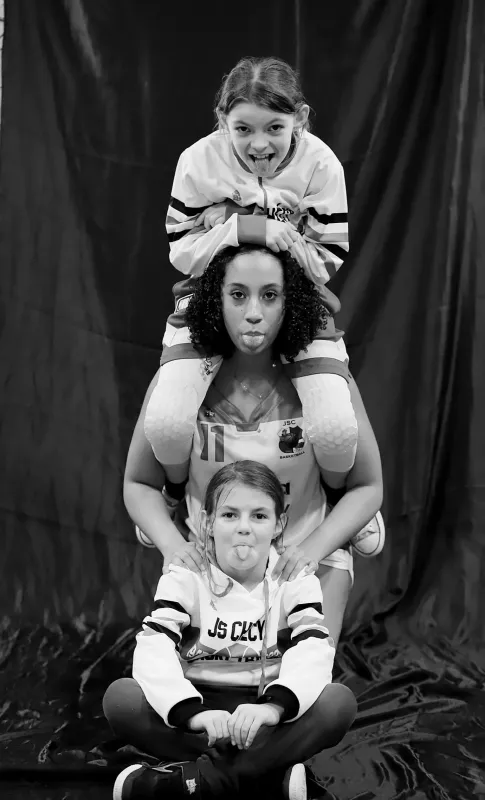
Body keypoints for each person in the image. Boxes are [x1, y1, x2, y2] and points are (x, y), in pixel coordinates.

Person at [124, 244, 384, 646]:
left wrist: (313, 549)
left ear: (290, 302)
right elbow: (138, 483)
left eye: (270, 295)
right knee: (194, 683)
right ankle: (177, 498)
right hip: (211, 565)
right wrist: (174, 547)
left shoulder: (326, 387)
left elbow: (369, 486)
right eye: (238, 294)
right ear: (215, 300)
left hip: (304, 559)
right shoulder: (179, 386)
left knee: (303, 681)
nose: (254, 313)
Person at [145, 55, 359, 514]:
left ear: (300, 118)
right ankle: (176, 493)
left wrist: (234, 222)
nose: (259, 144)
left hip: (293, 300)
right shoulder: (198, 161)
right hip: (211, 299)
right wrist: (249, 228)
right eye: (243, 128)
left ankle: (339, 500)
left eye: (275, 127)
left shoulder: (321, 165)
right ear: (223, 120)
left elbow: (325, 260)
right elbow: (182, 252)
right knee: (165, 423)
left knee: (337, 428)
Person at [105, 460, 358, 800]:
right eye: (229, 515)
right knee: (122, 699)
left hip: (263, 712)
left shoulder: (296, 578)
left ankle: (191, 782)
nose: (244, 528)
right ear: (207, 522)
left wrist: (272, 709)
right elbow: (154, 649)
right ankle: (266, 776)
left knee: (337, 703)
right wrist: (192, 714)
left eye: (259, 516)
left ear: (279, 524)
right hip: (200, 706)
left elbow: (313, 651)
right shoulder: (185, 575)